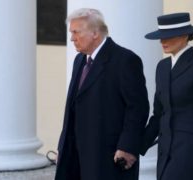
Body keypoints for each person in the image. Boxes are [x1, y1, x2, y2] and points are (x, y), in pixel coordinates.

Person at [55, 8, 149, 180]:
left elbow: (138, 108)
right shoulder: (80, 60)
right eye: (71, 33)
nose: (72, 38)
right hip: (75, 155)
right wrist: (63, 146)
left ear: (95, 33)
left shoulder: (125, 60)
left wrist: (128, 147)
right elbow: (73, 107)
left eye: (76, 32)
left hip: (108, 156)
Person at [140, 13, 193, 180]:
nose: (162, 42)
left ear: (185, 36)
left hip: (189, 149)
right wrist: (137, 145)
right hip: (165, 149)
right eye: (161, 37)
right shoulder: (162, 67)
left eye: (168, 37)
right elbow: (158, 114)